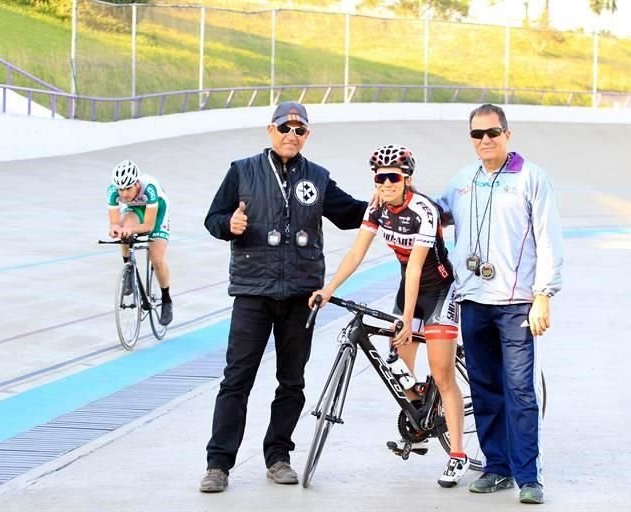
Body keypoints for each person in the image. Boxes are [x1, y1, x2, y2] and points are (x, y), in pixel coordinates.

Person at [199, 101, 368, 493]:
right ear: (270, 131)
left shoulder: (318, 178)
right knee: (237, 379)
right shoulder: (242, 171)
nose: (292, 135)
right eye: (285, 128)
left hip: (301, 295)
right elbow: (213, 219)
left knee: (291, 381)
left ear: (307, 135)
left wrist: (390, 199)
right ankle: (218, 464)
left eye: (300, 130)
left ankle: (278, 455)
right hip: (252, 292)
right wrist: (229, 224)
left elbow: (351, 213)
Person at [309, 144, 469, 488]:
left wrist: (407, 320)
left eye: (392, 177)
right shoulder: (377, 208)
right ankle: (422, 419)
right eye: (380, 177)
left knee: (442, 374)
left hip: (438, 290)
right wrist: (328, 289)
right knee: (397, 364)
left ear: (406, 177)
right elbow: (356, 253)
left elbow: (415, 268)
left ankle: (457, 453)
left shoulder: (423, 209)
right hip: (407, 288)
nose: (385, 183)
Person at [436, 103, 563, 504]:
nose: (485, 140)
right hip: (473, 299)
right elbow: (431, 216)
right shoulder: (461, 181)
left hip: (515, 304)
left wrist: (544, 294)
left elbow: (549, 239)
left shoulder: (531, 178)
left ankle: (529, 476)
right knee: (486, 387)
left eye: (492, 133)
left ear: (507, 134)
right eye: (477, 134)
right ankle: (497, 468)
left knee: (520, 390)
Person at [106, 159, 173, 326]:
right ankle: (128, 269)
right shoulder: (112, 192)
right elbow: (114, 223)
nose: (124, 194)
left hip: (157, 213)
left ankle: (166, 299)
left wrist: (132, 230)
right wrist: (116, 229)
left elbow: (148, 226)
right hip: (136, 210)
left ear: (137, 183)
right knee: (123, 226)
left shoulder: (149, 188)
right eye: (121, 189)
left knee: (156, 259)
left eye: (128, 188)